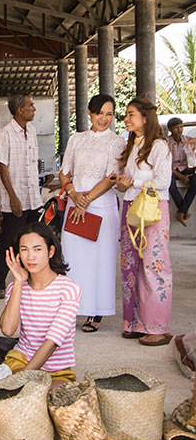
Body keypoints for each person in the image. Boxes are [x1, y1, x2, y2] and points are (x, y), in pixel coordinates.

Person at [58, 94, 125, 333]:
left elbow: (112, 178)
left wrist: (86, 199)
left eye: (109, 114)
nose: (104, 118)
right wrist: (74, 195)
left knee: (100, 262)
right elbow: (64, 173)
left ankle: (96, 311)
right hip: (75, 207)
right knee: (72, 259)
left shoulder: (117, 142)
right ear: (89, 113)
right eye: (100, 113)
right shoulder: (77, 139)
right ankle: (70, 310)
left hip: (101, 208)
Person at [115, 97, 173, 346]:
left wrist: (133, 182)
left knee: (154, 266)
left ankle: (157, 327)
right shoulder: (133, 145)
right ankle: (135, 323)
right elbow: (126, 182)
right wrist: (121, 182)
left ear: (145, 118)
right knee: (131, 266)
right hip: (131, 208)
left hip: (152, 210)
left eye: (131, 114)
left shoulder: (159, 146)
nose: (126, 119)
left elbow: (163, 182)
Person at [0, 223, 80, 387]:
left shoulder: (68, 289)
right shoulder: (16, 287)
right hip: (21, 360)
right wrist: (19, 283)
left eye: (37, 249)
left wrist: (23, 379)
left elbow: (52, 341)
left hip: (58, 369)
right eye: (24, 250)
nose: (30, 257)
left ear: (50, 251)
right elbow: (8, 330)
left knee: (51, 398)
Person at [0, 93, 42, 299]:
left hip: (33, 197)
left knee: (31, 240)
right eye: (31, 105)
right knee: (9, 241)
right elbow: (2, 166)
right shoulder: (6, 133)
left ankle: (28, 279)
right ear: (20, 110)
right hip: (16, 196)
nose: (34, 109)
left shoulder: (32, 130)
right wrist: (12, 197)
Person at [166, 117, 196, 226]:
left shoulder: (187, 139)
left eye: (181, 127)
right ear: (170, 129)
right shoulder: (166, 142)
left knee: (195, 182)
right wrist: (181, 176)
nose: (179, 130)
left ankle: (181, 211)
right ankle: (184, 210)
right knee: (170, 183)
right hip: (172, 170)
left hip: (185, 168)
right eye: (176, 128)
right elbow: (166, 164)